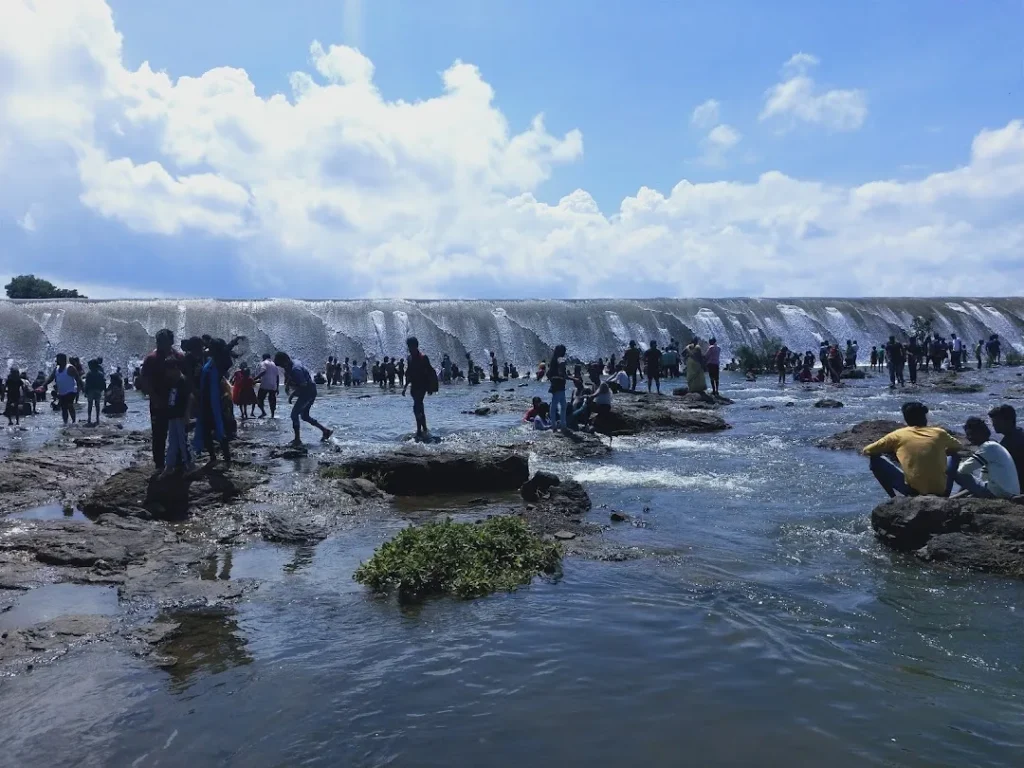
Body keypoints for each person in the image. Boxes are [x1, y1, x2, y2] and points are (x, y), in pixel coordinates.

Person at [862, 401, 962, 497]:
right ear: (924, 417)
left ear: (906, 419)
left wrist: (892, 450)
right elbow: (958, 446)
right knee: (955, 456)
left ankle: (894, 498)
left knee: (875, 460)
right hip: (941, 490)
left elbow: (867, 450)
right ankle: (946, 494)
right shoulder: (939, 433)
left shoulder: (898, 435)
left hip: (913, 492)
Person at [141, 329, 183, 469]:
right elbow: (145, 382)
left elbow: (185, 379)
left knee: (177, 433)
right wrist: (155, 398)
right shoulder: (151, 359)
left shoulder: (178, 357)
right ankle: (159, 464)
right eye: (158, 341)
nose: (160, 344)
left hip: (177, 403)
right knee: (159, 434)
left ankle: (177, 462)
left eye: (163, 341)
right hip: (158, 402)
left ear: (171, 342)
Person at [947, 417, 1020, 499]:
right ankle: (952, 498)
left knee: (954, 468)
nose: (969, 438)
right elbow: (981, 481)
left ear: (978, 434)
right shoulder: (994, 445)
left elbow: (962, 470)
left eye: (970, 435)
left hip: (999, 493)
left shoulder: (987, 447)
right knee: (968, 474)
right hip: (1009, 492)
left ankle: (945, 494)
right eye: (968, 436)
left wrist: (957, 461)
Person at [193, 339, 234, 468]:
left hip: (215, 402)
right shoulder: (210, 362)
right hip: (206, 401)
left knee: (219, 430)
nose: (207, 349)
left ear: (215, 350)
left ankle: (226, 459)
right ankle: (214, 458)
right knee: (207, 432)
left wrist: (231, 343)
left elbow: (227, 358)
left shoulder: (219, 364)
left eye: (210, 347)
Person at [275, 352, 332, 446]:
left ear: (286, 361)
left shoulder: (295, 369)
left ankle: (297, 439)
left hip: (308, 391)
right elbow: (290, 374)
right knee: (304, 416)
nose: (281, 367)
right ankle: (325, 431)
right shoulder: (292, 363)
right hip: (311, 390)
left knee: (294, 415)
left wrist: (293, 395)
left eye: (281, 365)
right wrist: (288, 384)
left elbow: (303, 385)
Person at [160, 357, 195, 478]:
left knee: (183, 441)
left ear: (175, 368)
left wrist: (187, 414)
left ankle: (190, 465)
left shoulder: (182, 380)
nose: (166, 372)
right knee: (172, 441)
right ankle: (169, 466)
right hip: (172, 415)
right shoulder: (171, 381)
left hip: (181, 415)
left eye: (168, 369)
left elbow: (190, 397)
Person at [402, 336, 438, 438]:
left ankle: (419, 430)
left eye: (411, 346)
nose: (410, 348)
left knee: (417, 407)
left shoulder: (423, 357)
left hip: (422, 386)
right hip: (414, 386)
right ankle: (424, 429)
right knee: (419, 408)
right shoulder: (409, 358)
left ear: (416, 346)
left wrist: (431, 388)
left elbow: (430, 372)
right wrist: (405, 387)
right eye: (409, 346)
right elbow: (408, 373)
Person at [989, 405, 1024, 490]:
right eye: (993, 421)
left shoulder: (1012, 442)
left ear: (1009, 421)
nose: (993, 425)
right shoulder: (1018, 433)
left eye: (997, 421)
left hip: (1016, 486)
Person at [45, 353, 82, 426]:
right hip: (62, 391)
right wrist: (43, 385)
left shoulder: (70, 368)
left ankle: (74, 421)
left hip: (71, 390)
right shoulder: (57, 368)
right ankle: (65, 422)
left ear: (63, 359)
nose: (56, 361)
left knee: (69, 405)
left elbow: (78, 379)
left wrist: (82, 388)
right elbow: (51, 378)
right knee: (64, 408)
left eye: (58, 359)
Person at [547, 345, 568, 430]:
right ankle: (560, 425)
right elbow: (562, 371)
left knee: (557, 405)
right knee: (561, 405)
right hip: (559, 385)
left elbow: (548, 373)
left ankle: (555, 425)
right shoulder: (560, 359)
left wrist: (552, 379)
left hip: (557, 384)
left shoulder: (553, 359)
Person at [255, 354, 281, 418]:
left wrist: (255, 378)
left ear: (263, 357)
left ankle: (263, 412)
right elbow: (277, 377)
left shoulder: (263, 363)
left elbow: (263, 371)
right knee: (272, 400)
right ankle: (272, 414)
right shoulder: (274, 365)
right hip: (273, 386)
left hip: (265, 385)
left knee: (259, 399)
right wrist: (277, 388)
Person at [84, 359, 106, 426]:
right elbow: (103, 383)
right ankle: (97, 419)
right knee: (97, 405)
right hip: (98, 391)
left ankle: (89, 419)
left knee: (90, 405)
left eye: (89, 366)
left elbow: (87, 384)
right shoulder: (100, 374)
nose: (89, 367)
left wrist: (85, 392)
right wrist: (104, 390)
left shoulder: (89, 374)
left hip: (90, 391)